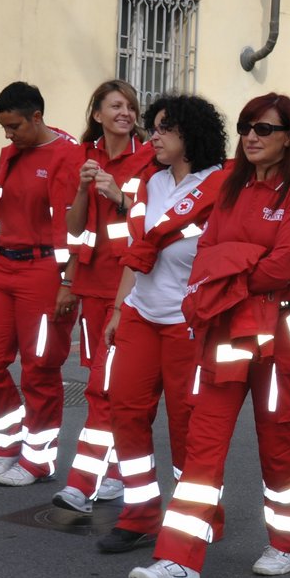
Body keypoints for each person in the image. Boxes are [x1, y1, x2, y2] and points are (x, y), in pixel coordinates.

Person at [129, 94, 290, 578]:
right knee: (203, 446)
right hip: (224, 331)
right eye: (244, 127)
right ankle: (179, 563)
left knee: (278, 445)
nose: (251, 136)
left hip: (280, 335)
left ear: (288, 137)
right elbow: (207, 255)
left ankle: (287, 541)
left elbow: (282, 268)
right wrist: (240, 263)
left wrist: (230, 267)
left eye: (263, 128)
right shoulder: (232, 188)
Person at [93, 95, 228, 554]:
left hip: (188, 324)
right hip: (140, 314)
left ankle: (192, 517)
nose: (152, 136)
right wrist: (116, 309)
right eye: (153, 128)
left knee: (187, 426)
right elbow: (137, 251)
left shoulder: (222, 189)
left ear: (190, 135)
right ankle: (141, 514)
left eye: (163, 129)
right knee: (125, 412)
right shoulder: (149, 183)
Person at [0, 82, 81, 486]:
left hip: (43, 270)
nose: (8, 134)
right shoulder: (10, 153)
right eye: (3, 127)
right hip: (1, 265)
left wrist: (68, 281)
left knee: (40, 368)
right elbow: (2, 213)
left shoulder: (66, 154)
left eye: (14, 126)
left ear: (36, 117)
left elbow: (70, 225)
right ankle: (7, 445)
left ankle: (38, 458)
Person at [55, 80, 154, 515]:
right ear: (96, 114)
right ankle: (115, 471)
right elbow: (74, 230)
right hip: (95, 286)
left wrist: (120, 196)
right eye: (116, 106)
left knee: (107, 386)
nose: (125, 113)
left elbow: (152, 222)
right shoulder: (83, 157)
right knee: (106, 382)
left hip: (133, 285)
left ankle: (84, 482)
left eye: (131, 106)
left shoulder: (150, 158)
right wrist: (82, 190)